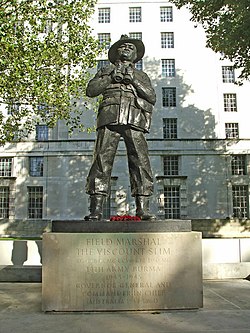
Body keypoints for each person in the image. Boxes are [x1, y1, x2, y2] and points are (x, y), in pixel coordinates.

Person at [85, 35, 156, 221]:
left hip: (134, 118)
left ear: (136, 56)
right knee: (101, 160)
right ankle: (96, 209)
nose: (126, 49)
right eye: (122, 47)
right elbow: (91, 91)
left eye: (131, 47)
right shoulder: (105, 70)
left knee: (140, 162)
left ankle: (143, 208)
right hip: (109, 116)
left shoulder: (142, 75)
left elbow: (151, 97)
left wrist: (133, 80)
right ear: (115, 52)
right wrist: (109, 77)